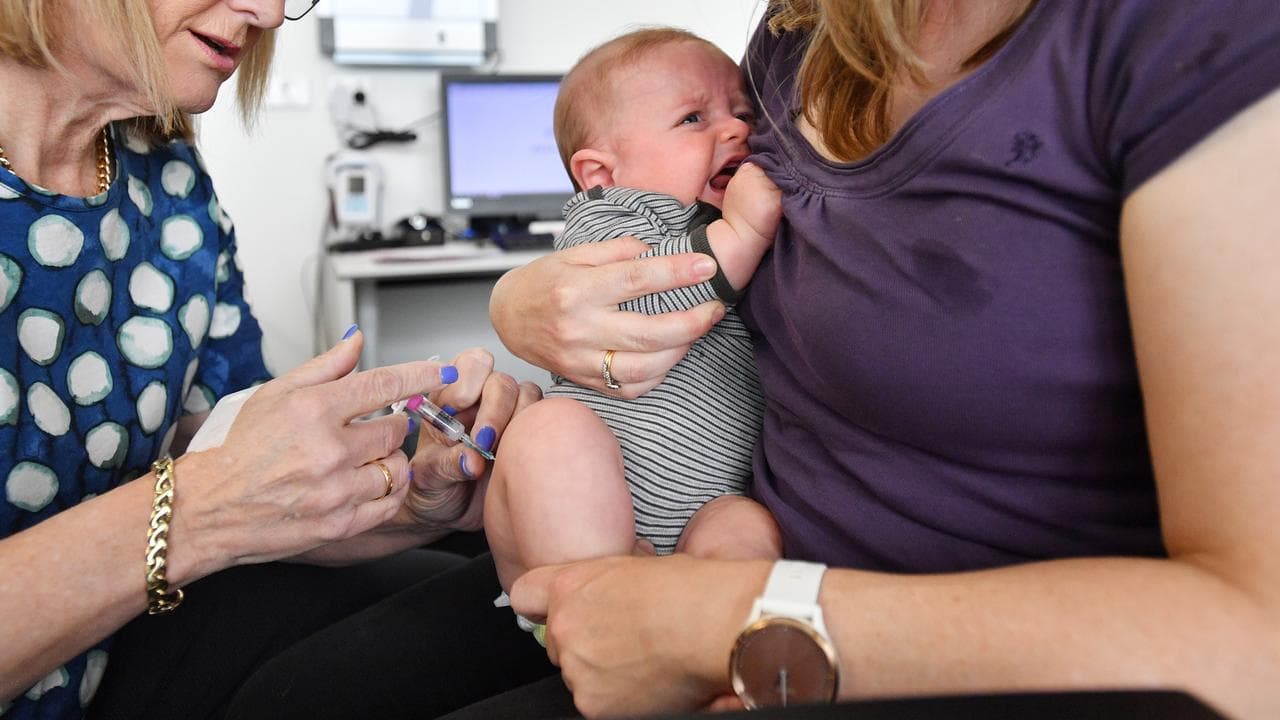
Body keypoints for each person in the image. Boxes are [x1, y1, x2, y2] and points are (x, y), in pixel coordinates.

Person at [476, 0, 1280, 718]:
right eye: (694, 118)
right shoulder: (801, 30)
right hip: (689, 584)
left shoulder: (1186, 35)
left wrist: (746, 620)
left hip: (874, 648)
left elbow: (1258, 647)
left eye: (729, 116)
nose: (731, 130)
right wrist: (518, 303)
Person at [0, 2, 538, 718]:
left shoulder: (167, 180)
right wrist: (202, 509)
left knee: (505, 584)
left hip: (133, 635)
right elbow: (219, 496)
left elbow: (228, 464)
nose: (271, 12)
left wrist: (409, 500)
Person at [484, 28, 784, 605]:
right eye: (693, 118)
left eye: (743, 113)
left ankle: (709, 622)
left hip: (706, 506)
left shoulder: (719, 220)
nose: (736, 129)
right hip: (588, 506)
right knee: (548, 430)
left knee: (746, 526)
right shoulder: (613, 217)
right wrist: (743, 234)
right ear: (603, 174)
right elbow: (641, 295)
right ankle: (592, 602)